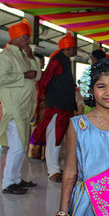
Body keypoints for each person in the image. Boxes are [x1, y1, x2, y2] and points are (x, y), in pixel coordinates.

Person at [48, 58, 109, 216]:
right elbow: (69, 172)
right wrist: (62, 212)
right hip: (85, 206)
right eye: (101, 86)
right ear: (91, 90)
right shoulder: (78, 125)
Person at [0, 19, 41, 194]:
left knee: (23, 145)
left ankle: (16, 179)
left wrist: (31, 58)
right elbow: (2, 80)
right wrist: (24, 75)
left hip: (25, 107)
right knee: (17, 146)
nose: (28, 41)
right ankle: (7, 183)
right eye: (25, 37)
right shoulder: (5, 56)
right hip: (14, 108)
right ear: (16, 37)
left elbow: (38, 76)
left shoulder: (23, 54)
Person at [33, 33, 78, 182]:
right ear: (69, 48)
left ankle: (55, 168)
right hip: (56, 106)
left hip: (64, 106)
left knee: (58, 137)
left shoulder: (64, 60)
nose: (75, 50)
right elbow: (44, 81)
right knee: (54, 137)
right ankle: (52, 170)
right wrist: (46, 97)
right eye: (74, 47)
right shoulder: (56, 61)